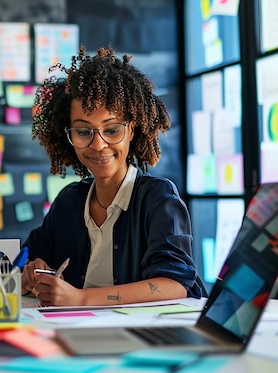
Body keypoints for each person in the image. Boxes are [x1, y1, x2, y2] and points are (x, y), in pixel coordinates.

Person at [22, 46, 206, 307]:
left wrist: (81, 298)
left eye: (111, 130)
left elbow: (174, 284)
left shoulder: (157, 198)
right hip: (77, 332)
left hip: (142, 337)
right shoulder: (69, 202)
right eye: (83, 132)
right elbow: (28, 257)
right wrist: (32, 270)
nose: (98, 145)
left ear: (132, 130)